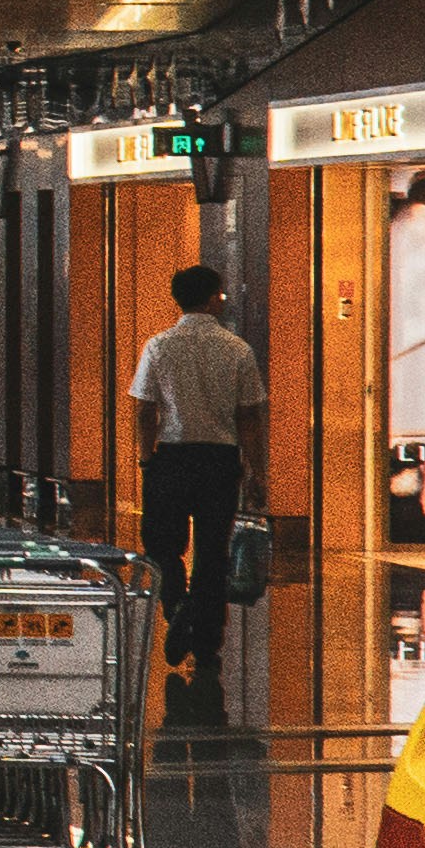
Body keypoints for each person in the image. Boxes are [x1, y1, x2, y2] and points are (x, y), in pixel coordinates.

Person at [126, 265, 269, 731]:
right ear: (211, 299)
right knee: (213, 552)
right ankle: (205, 640)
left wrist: (146, 459)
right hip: (218, 462)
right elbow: (249, 417)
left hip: (170, 460)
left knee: (163, 545)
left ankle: (176, 609)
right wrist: (256, 471)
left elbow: (144, 407)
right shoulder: (237, 350)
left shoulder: (158, 346)